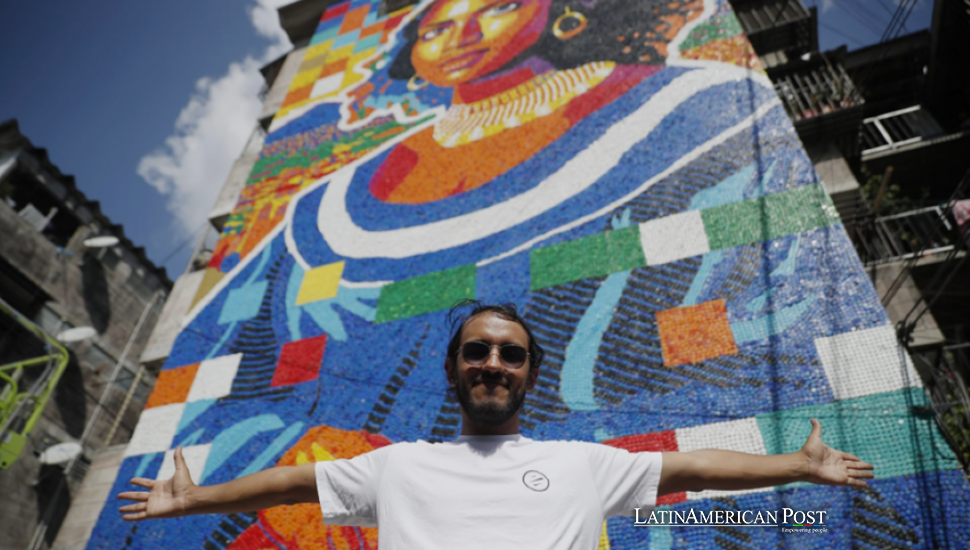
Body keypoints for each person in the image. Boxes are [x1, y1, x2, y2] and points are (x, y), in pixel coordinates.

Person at [119, 302, 874, 549]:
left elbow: (696, 468)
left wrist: (798, 467)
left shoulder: (583, 462)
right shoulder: (396, 465)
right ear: (453, 370)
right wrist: (194, 500)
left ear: (529, 375)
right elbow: (292, 482)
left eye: (509, 354)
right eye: (475, 350)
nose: (492, 362)